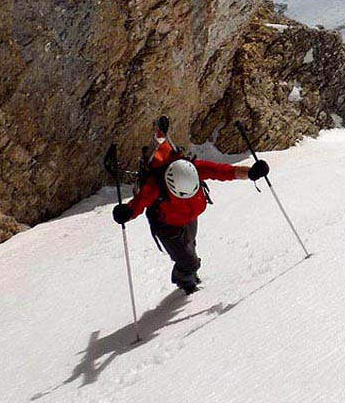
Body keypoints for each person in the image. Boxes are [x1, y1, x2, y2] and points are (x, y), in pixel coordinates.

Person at [112, 116, 269, 294]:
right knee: (189, 261)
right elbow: (139, 204)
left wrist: (252, 173)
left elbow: (225, 171)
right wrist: (126, 213)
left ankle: (188, 273)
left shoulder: (196, 167)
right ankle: (186, 282)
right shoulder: (156, 185)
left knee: (189, 247)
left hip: (188, 217)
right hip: (167, 226)